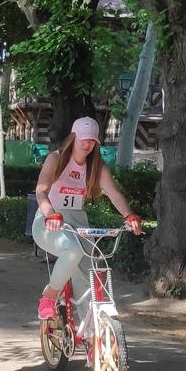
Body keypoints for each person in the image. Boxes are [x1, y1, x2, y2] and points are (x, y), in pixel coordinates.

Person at [32, 116, 142, 322]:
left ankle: (93, 333)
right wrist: (50, 214)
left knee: (92, 273)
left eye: (92, 140)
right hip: (50, 222)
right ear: (73, 138)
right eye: (83, 139)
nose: (87, 144)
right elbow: (41, 191)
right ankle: (49, 296)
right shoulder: (55, 159)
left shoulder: (97, 167)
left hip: (79, 224)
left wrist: (129, 215)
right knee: (72, 250)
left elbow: (114, 193)